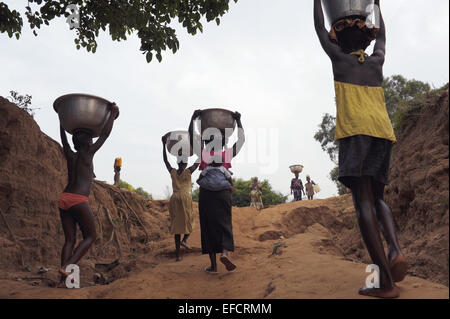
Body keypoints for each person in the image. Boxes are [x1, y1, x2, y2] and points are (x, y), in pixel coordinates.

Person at [314, 0, 407, 298]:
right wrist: (376, 6)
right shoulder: (377, 61)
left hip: (355, 134)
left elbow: (318, 26)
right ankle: (395, 249)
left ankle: (384, 283)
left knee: (362, 203)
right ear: (367, 39)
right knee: (378, 197)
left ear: (338, 40)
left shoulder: (340, 62)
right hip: (382, 133)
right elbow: (383, 37)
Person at [58, 103, 120, 285]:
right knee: (90, 237)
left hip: (64, 199)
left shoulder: (70, 154)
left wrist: (62, 121)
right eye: (90, 139)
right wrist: (113, 115)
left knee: (69, 239)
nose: (93, 141)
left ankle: (64, 278)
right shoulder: (88, 154)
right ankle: (67, 266)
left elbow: (64, 141)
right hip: (78, 200)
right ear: (87, 142)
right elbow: (105, 135)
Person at [189, 109, 245, 274]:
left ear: (206, 142)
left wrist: (192, 119)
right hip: (223, 193)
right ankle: (225, 253)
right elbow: (241, 141)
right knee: (225, 223)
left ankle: (213, 266)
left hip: (206, 193)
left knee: (208, 226)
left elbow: (191, 136)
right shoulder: (226, 155)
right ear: (223, 142)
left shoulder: (205, 155)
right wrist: (239, 121)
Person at [162, 133, 199, 262]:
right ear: (186, 161)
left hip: (174, 199)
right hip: (185, 198)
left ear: (178, 162)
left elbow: (165, 161)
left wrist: (163, 144)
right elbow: (199, 159)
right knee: (191, 221)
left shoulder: (172, 171)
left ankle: (178, 255)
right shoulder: (189, 171)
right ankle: (185, 240)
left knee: (177, 227)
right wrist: (201, 146)